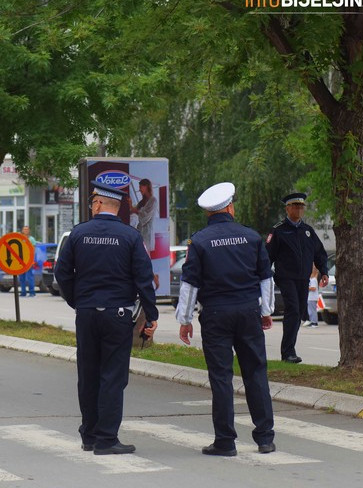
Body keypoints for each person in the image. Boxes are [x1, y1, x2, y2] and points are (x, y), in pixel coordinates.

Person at [55, 180, 158, 455]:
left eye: (93, 202)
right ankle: (107, 439)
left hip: (87, 314)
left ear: (99, 203)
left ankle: (89, 435)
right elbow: (144, 279)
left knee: (88, 375)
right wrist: (151, 316)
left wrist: (76, 300)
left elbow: (62, 273)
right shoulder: (130, 236)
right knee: (112, 377)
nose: (91, 206)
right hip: (118, 314)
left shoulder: (79, 234)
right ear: (117, 206)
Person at [176, 182, 276, 457]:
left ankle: (225, 441)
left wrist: (184, 319)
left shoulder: (199, 241)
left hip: (216, 314)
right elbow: (265, 277)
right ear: (230, 207)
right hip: (247, 311)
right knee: (256, 372)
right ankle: (265, 438)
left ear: (209, 213)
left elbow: (190, 284)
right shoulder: (252, 237)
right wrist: (266, 311)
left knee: (221, 377)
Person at [266, 192, 329, 363]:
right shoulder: (278, 230)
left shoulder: (307, 231)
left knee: (299, 311)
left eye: (301, 206)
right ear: (287, 209)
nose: (299, 209)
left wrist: (324, 271)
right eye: (295, 206)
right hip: (286, 278)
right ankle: (288, 352)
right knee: (293, 309)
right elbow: (267, 256)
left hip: (303, 279)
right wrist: (264, 276)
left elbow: (319, 253)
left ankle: (289, 349)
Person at [129, 178, 157, 252]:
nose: (139, 189)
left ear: (146, 187)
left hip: (147, 235)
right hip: (139, 233)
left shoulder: (153, 200)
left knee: (145, 257)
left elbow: (145, 217)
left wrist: (135, 210)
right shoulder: (142, 202)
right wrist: (130, 205)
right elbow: (133, 210)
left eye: (141, 187)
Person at [20, 225, 37, 297]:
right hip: (20, 261)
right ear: (22, 230)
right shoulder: (20, 238)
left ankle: (32, 292)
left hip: (28, 261)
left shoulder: (31, 239)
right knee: (21, 277)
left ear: (29, 231)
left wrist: (32, 260)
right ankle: (23, 292)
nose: (26, 230)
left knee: (29, 277)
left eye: (27, 229)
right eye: (24, 229)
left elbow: (33, 250)